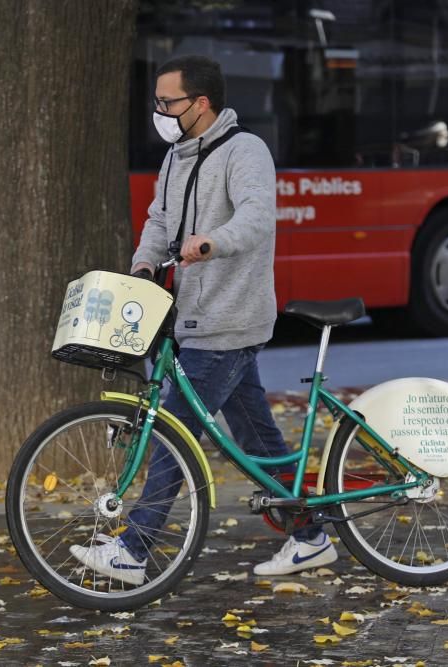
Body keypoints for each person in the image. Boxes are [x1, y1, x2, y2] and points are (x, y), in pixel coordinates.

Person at [70, 55, 337, 584]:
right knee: (258, 441)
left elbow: (258, 216)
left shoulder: (245, 151)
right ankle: (311, 537)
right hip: (189, 319)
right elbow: (160, 218)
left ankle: (135, 549)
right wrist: (145, 261)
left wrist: (214, 242)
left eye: (168, 102)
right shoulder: (176, 157)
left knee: (173, 431)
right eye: (159, 102)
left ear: (201, 104)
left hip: (230, 319)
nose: (161, 111)